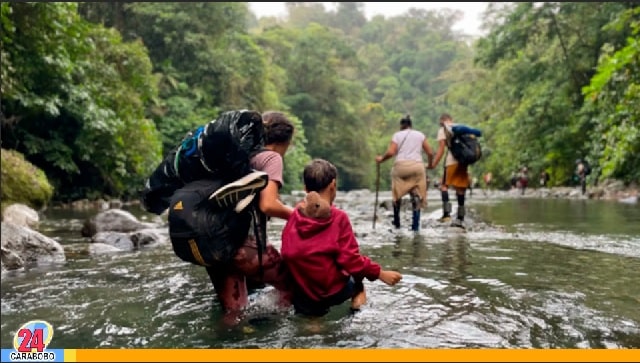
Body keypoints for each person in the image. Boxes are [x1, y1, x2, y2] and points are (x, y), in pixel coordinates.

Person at [201, 111, 296, 324]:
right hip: (243, 246)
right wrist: (299, 216)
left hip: (214, 244)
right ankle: (274, 329)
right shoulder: (271, 157)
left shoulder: (235, 154)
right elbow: (268, 204)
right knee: (293, 285)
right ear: (285, 141)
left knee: (234, 314)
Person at [281, 159, 403, 317]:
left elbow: (286, 249)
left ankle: (314, 323)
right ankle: (357, 305)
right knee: (358, 279)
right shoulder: (338, 217)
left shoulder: (296, 214)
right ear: (333, 185)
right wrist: (380, 273)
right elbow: (351, 260)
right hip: (333, 292)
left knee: (312, 321)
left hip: (303, 293)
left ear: (305, 188)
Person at [375, 114, 434, 231]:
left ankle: (397, 223)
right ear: (411, 125)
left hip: (401, 167)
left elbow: (391, 152)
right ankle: (415, 226)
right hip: (417, 166)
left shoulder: (397, 135)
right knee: (417, 194)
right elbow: (430, 153)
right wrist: (431, 164)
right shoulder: (420, 135)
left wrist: (381, 159)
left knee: (397, 194)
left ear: (401, 125)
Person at [430, 113, 470, 229]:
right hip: (463, 161)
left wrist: (434, 164)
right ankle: (460, 217)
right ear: (451, 119)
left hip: (451, 161)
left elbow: (441, 149)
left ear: (442, 121)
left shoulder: (443, 130)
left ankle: (446, 215)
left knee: (444, 186)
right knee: (460, 188)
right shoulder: (461, 127)